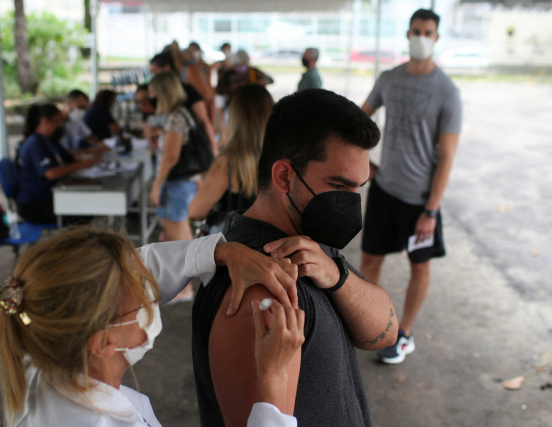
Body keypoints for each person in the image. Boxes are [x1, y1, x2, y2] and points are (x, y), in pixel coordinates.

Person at [192, 89, 399, 427]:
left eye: (359, 188)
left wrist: (337, 276)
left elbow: (385, 334)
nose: (350, 204)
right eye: (339, 186)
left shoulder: (313, 240)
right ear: (284, 176)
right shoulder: (257, 288)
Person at [0, 227, 305, 427]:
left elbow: (130, 269)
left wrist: (220, 251)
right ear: (104, 343)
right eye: (142, 297)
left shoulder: (42, 341)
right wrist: (273, 379)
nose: (149, 294)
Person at [359, 8, 462, 364]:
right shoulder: (389, 79)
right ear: (407, 33)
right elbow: (359, 120)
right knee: (370, 258)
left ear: (436, 37)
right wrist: (365, 165)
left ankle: (403, 334)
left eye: (427, 32)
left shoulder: (447, 92)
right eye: (416, 31)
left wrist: (431, 210)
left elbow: (446, 156)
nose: (421, 37)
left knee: (419, 265)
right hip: (384, 189)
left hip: (419, 201)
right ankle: (368, 321)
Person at [148, 71, 203, 300]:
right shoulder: (182, 114)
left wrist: (156, 186)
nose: (151, 96)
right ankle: (185, 287)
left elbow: (171, 156)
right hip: (183, 185)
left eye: (153, 91)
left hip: (175, 185)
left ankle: (183, 289)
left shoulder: (175, 118)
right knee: (183, 237)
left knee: (176, 240)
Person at [189, 84, 274, 223]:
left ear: (234, 118)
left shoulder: (228, 163)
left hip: (239, 235)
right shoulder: (286, 155)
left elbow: (195, 211)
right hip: (279, 235)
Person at [16, 104, 98, 224]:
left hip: (53, 195)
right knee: (84, 213)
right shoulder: (35, 143)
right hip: (35, 204)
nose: (60, 125)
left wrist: (90, 156)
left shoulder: (50, 140)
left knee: (90, 204)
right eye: (57, 121)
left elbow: (69, 157)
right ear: (45, 121)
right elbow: (51, 173)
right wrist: (82, 164)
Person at [149, 52, 218, 156]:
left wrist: (213, 147)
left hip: (190, 152)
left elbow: (204, 119)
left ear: (166, 68)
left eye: (154, 71)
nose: (153, 75)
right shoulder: (156, 95)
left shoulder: (187, 91)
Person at [165, 41, 216, 125]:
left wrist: (210, 124)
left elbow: (208, 97)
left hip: (201, 119)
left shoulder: (190, 69)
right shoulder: (184, 70)